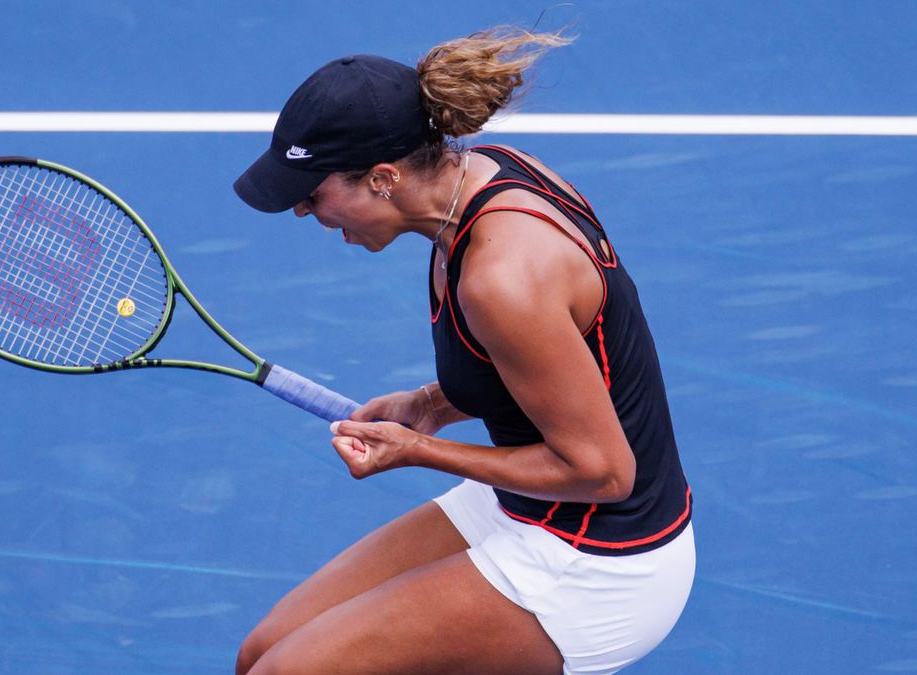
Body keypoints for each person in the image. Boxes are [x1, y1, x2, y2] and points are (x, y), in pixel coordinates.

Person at [231, 26, 694, 675]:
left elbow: (604, 470)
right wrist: (431, 404)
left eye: (312, 194)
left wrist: (420, 451)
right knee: (259, 654)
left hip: (598, 560)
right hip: (528, 506)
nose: (305, 213)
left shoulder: (501, 277)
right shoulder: (483, 177)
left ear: (385, 177)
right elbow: (551, 362)